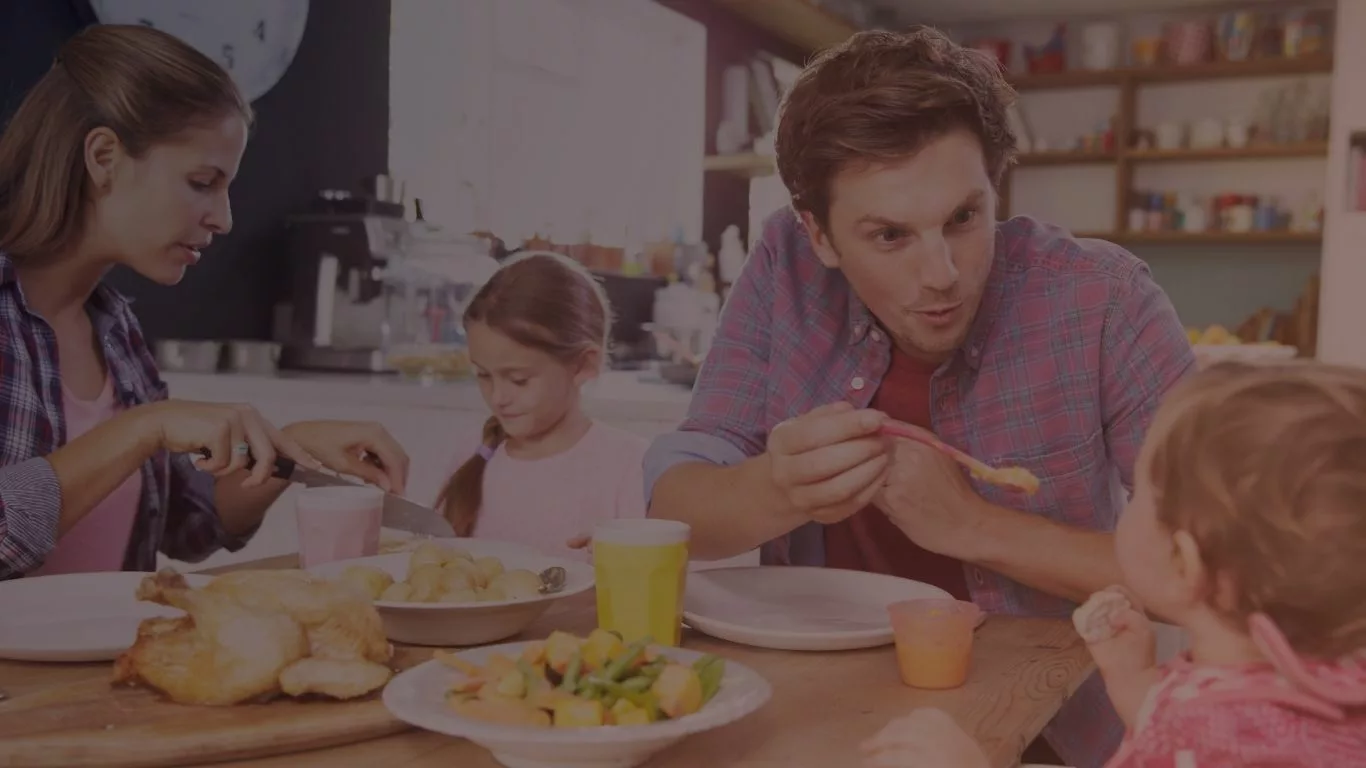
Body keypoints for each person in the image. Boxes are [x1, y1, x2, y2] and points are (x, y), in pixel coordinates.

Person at [642, 27, 1195, 766]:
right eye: (890, 236)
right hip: (810, 711)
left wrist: (973, 524)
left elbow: (1220, 569)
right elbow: (677, 509)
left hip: (1045, 734)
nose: (942, 274)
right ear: (820, 235)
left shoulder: (1103, 298)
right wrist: (776, 488)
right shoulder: (784, 268)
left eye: (965, 218)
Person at [0, 25, 410, 580]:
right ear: (103, 157)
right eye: (201, 182)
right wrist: (144, 427)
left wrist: (290, 453)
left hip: (101, 666)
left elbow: (188, 524)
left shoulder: (114, 331)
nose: (225, 218)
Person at [860, 361, 1366, 767]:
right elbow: (1176, 730)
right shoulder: (1322, 679)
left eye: (1141, 491)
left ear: (1185, 564)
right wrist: (1135, 678)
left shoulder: (1221, 746)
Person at [434, 252, 648, 561]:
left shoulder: (630, 468)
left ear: (582, 365)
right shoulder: (472, 452)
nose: (498, 397)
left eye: (518, 380)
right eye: (483, 375)